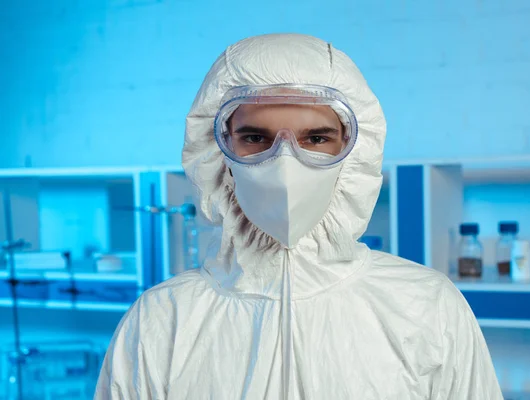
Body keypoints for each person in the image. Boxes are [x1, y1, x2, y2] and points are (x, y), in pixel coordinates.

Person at [95, 33, 502, 399]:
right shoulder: (162, 321)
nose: (285, 162)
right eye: (256, 138)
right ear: (217, 150)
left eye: (317, 138)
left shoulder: (425, 305)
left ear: (354, 151)